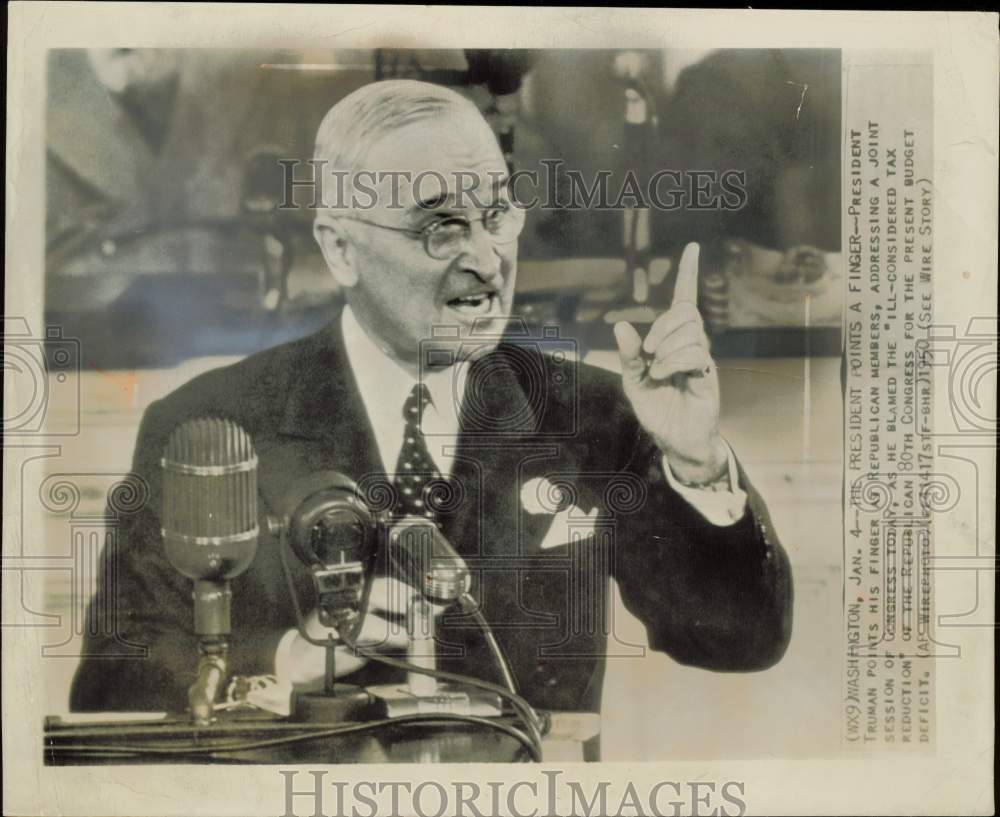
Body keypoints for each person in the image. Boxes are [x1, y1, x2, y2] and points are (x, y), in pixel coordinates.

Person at [70, 80, 792, 725]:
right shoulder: (211, 426)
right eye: (441, 225)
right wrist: (284, 662)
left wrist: (695, 460)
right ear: (341, 249)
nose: (485, 258)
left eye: (497, 217)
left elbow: (739, 640)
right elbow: (111, 687)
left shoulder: (591, 413)